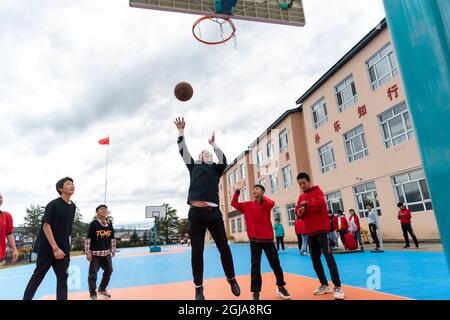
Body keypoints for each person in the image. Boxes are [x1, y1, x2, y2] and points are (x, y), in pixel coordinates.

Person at [175, 117, 240, 300]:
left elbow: (224, 160)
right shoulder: (193, 166)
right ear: (199, 157)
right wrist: (181, 132)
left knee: (223, 247)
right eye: (204, 152)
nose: (207, 153)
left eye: (208, 153)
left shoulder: (216, 169)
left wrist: (213, 145)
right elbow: (183, 150)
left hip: (213, 215)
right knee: (197, 251)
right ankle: (198, 287)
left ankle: (231, 278)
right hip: (196, 215)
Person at [231, 180, 291, 300]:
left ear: (263, 192)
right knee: (255, 267)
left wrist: (262, 198)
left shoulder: (266, 204)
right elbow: (234, 203)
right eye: (253, 189)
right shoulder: (247, 205)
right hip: (254, 241)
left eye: (257, 189)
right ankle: (256, 292)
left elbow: (272, 202)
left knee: (276, 265)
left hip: (268, 240)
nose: (254, 190)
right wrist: (238, 190)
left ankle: (281, 287)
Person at [23, 177, 76, 300]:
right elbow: (46, 226)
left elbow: (67, 230)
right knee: (37, 277)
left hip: (63, 250)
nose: (72, 185)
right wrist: (55, 248)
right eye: (68, 184)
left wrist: (65, 249)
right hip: (47, 248)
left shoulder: (73, 206)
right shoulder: (53, 204)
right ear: (60, 188)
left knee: (63, 279)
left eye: (73, 184)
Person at [295, 172, 345, 300]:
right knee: (315, 260)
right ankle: (324, 284)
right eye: (300, 184)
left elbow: (321, 204)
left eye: (303, 183)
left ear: (309, 181)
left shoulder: (318, 192)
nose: (302, 185)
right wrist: (299, 212)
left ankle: (338, 286)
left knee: (329, 257)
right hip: (310, 232)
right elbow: (298, 212)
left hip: (322, 230)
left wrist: (307, 205)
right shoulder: (301, 197)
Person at [85, 204, 116, 300]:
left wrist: (113, 248)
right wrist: (87, 252)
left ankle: (102, 289)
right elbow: (88, 238)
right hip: (95, 255)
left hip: (106, 254)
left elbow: (112, 238)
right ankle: (92, 293)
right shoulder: (94, 224)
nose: (104, 210)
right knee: (93, 274)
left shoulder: (109, 224)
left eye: (105, 209)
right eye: (101, 209)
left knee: (109, 270)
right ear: (97, 212)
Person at [0, 193, 19, 264]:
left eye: (1, 197)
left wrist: (14, 249)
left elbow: (9, 233)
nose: (0, 199)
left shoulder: (7, 216)